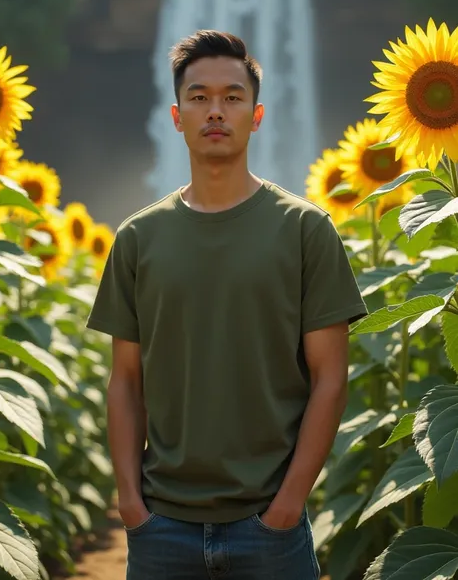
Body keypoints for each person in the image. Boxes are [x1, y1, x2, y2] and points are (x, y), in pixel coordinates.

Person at [86, 30, 367, 580]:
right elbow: (125, 381)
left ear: (256, 115)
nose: (216, 111)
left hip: (271, 528)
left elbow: (330, 377)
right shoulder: (137, 238)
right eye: (199, 97)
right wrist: (130, 505)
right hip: (160, 527)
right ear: (176, 116)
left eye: (233, 98)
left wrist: (286, 508)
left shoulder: (306, 230)